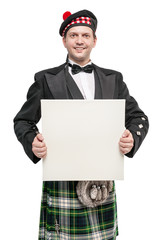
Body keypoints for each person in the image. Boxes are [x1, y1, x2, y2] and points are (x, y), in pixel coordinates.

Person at [13, 9, 149, 240]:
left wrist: (132, 139)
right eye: (73, 35)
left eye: (85, 35)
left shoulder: (113, 79)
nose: (79, 40)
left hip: (101, 180)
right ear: (64, 40)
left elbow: (138, 117)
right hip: (62, 178)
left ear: (94, 40)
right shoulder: (46, 79)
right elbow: (23, 120)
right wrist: (33, 141)